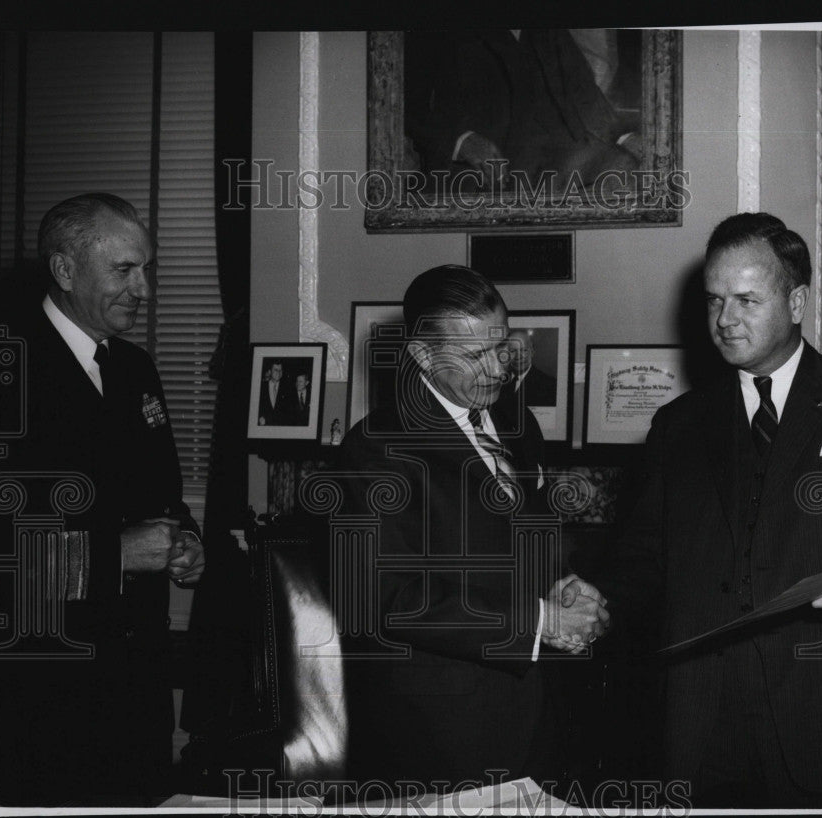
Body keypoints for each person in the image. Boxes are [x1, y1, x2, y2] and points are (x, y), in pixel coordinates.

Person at [588, 213, 822, 808]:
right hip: (700, 727)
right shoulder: (677, 426)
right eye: (715, 300)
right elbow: (641, 559)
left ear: (797, 301)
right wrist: (594, 596)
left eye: (747, 300)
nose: (725, 320)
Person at [0, 193, 205, 805]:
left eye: (146, 269)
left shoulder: (136, 369)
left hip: (138, 682)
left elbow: (164, 496)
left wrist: (187, 543)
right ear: (64, 271)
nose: (142, 289)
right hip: (45, 690)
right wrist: (115, 554)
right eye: (124, 270)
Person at [334, 264, 608, 794]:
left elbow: (527, 533)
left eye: (501, 347)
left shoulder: (516, 424)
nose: (497, 369)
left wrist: (561, 582)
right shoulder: (373, 448)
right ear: (421, 356)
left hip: (533, 712)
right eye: (475, 355)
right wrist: (538, 622)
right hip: (438, 733)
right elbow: (387, 598)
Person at [404, 29, 639, 192]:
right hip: (483, 169)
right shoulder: (435, 21)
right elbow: (405, 102)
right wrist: (461, 141)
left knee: (622, 164)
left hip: (554, 160)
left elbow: (583, 90)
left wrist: (623, 137)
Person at [502, 328, 558, 406]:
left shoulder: (550, 385)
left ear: (532, 352)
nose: (518, 356)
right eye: (512, 351)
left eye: (524, 350)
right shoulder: (498, 382)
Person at [258, 360, 292, 425]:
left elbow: (289, 412)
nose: (278, 372)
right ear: (270, 371)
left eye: (280, 370)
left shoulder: (288, 389)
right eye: (276, 370)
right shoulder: (261, 387)